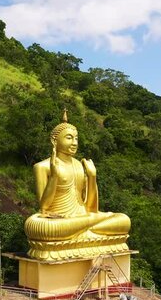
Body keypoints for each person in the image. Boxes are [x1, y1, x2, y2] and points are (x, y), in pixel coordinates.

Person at [24, 109, 130, 260]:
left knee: (123, 220)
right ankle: (88, 230)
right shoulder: (42, 167)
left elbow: (92, 208)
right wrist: (54, 176)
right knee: (40, 227)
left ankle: (85, 230)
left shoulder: (80, 165)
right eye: (69, 138)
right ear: (54, 140)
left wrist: (92, 177)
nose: (74, 143)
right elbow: (44, 208)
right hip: (60, 223)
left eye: (76, 138)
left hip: (81, 219)